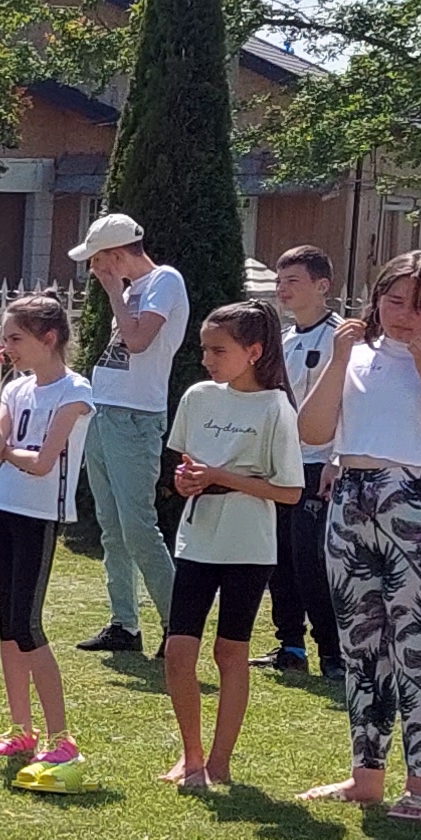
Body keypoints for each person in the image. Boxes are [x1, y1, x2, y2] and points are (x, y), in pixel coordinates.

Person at [293, 250, 421, 818]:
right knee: (361, 647)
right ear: (376, 298)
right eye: (394, 300)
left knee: (417, 649)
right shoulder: (355, 355)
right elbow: (312, 430)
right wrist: (339, 360)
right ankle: (366, 776)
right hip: (351, 502)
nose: (404, 315)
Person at [161, 307, 307, 791]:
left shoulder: (275, 408)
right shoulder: (198, 397)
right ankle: (191, 756)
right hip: (198, 538)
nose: (207, 359)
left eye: (218, 350)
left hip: (248, 544)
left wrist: (222, 477)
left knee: (230, 651)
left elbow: (290, 492)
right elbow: (186, 468)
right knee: (178, 651)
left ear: (254, 352)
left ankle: (220, 762)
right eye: (204, 348)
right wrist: (187, 482)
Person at [0, 297, 93, 781]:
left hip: (38, 516)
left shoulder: (74, 390)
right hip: (0, 508)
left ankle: (61, 738)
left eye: (15, 339)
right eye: (4, 338)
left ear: (49, 338)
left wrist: (8, 452)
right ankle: (21, 728)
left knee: (27, 624)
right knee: (7, 623)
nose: (6, 348)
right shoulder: (15, 388)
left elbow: (44, 463)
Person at [69, 212, 189, 657]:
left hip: (135, 418)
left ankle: (178, 628)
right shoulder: (135, 289)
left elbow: (138, 342)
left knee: (138, 528)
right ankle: (124, 624)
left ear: (117, 255)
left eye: (99, 259)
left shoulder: (165, 281)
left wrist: (114, 294)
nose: (94, 268)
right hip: (105, 414)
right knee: (113, 528)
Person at [264, 247, 344, 674]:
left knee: (312, 561)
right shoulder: (283, 339)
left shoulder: (341, 338)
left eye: (293, 281)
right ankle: (290, 646)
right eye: (279, 281)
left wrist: (336, 457)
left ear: (322, 285)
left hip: (319, 464)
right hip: (282, 464)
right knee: (278, 559)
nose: (283, 289)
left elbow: (351, 404)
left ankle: (333, 652)